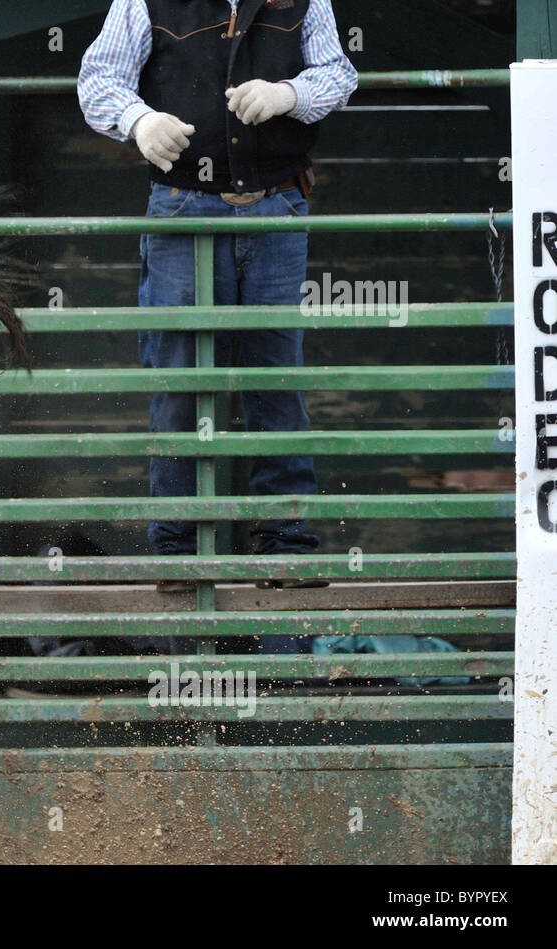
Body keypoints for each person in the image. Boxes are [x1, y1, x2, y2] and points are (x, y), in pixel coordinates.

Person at [78, 0, 357, 589]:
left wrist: (289, 95)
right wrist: (138, 121)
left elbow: (338, 75)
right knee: (180, 381)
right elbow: (98, 78)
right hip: (183, 207)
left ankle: (285, 547)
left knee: (276, 381)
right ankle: (178, 551)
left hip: (276, 204)